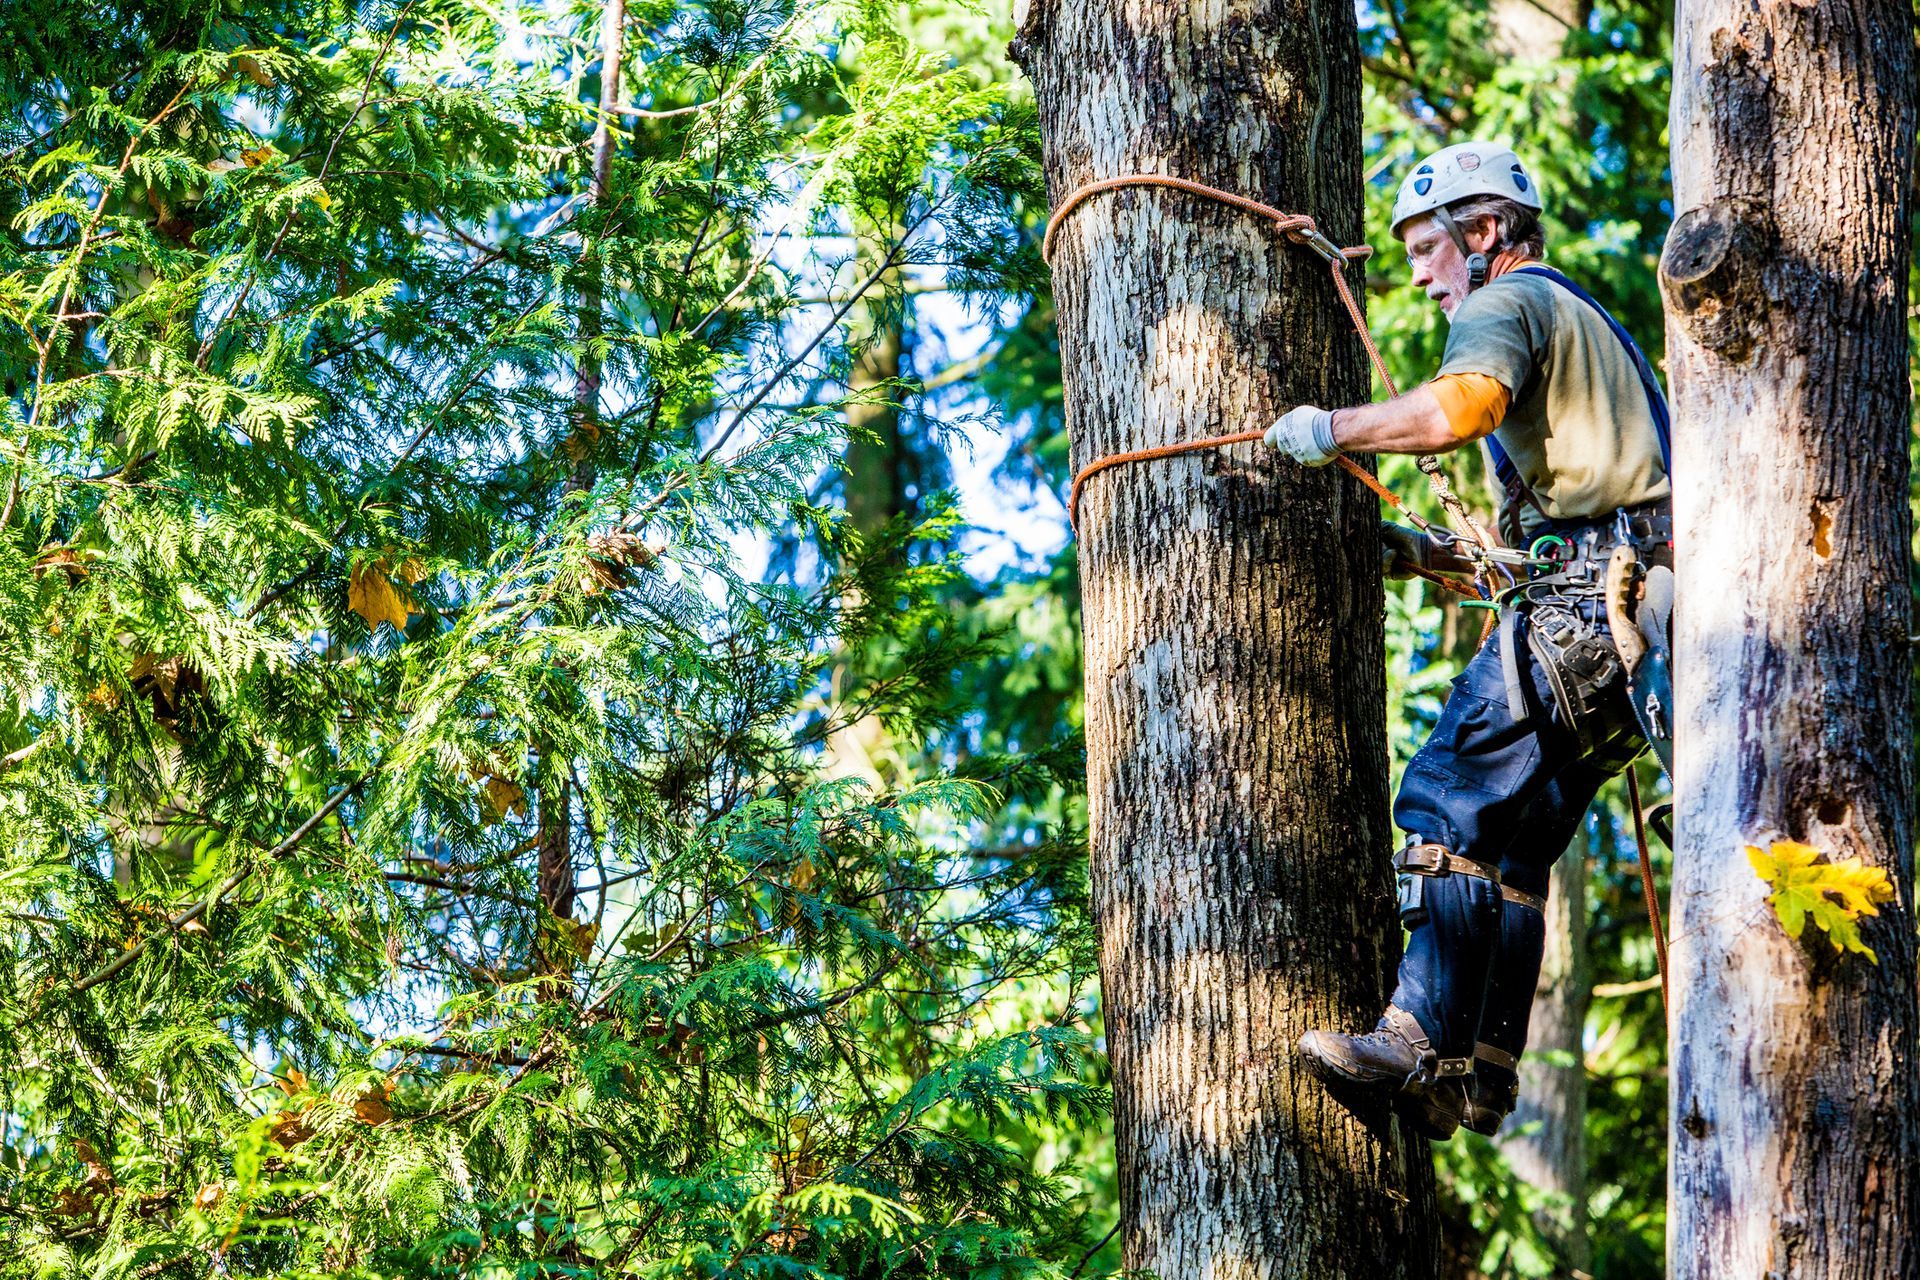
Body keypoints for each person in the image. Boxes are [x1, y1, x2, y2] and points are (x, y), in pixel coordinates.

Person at [1264, 141, 1673, 1140]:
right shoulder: (1584, 325)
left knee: (1449, 801)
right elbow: (1571, 520)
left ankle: (1416, 1040)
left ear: (1483, 231)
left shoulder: (1509, 303)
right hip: (1640, 628)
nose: (1416, 274)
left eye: (1427, 247)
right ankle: (1480, 1073)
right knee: (1514, 845)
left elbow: (1462, 407)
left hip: (1589, 608)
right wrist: (1429, 554)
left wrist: (1332, 428)